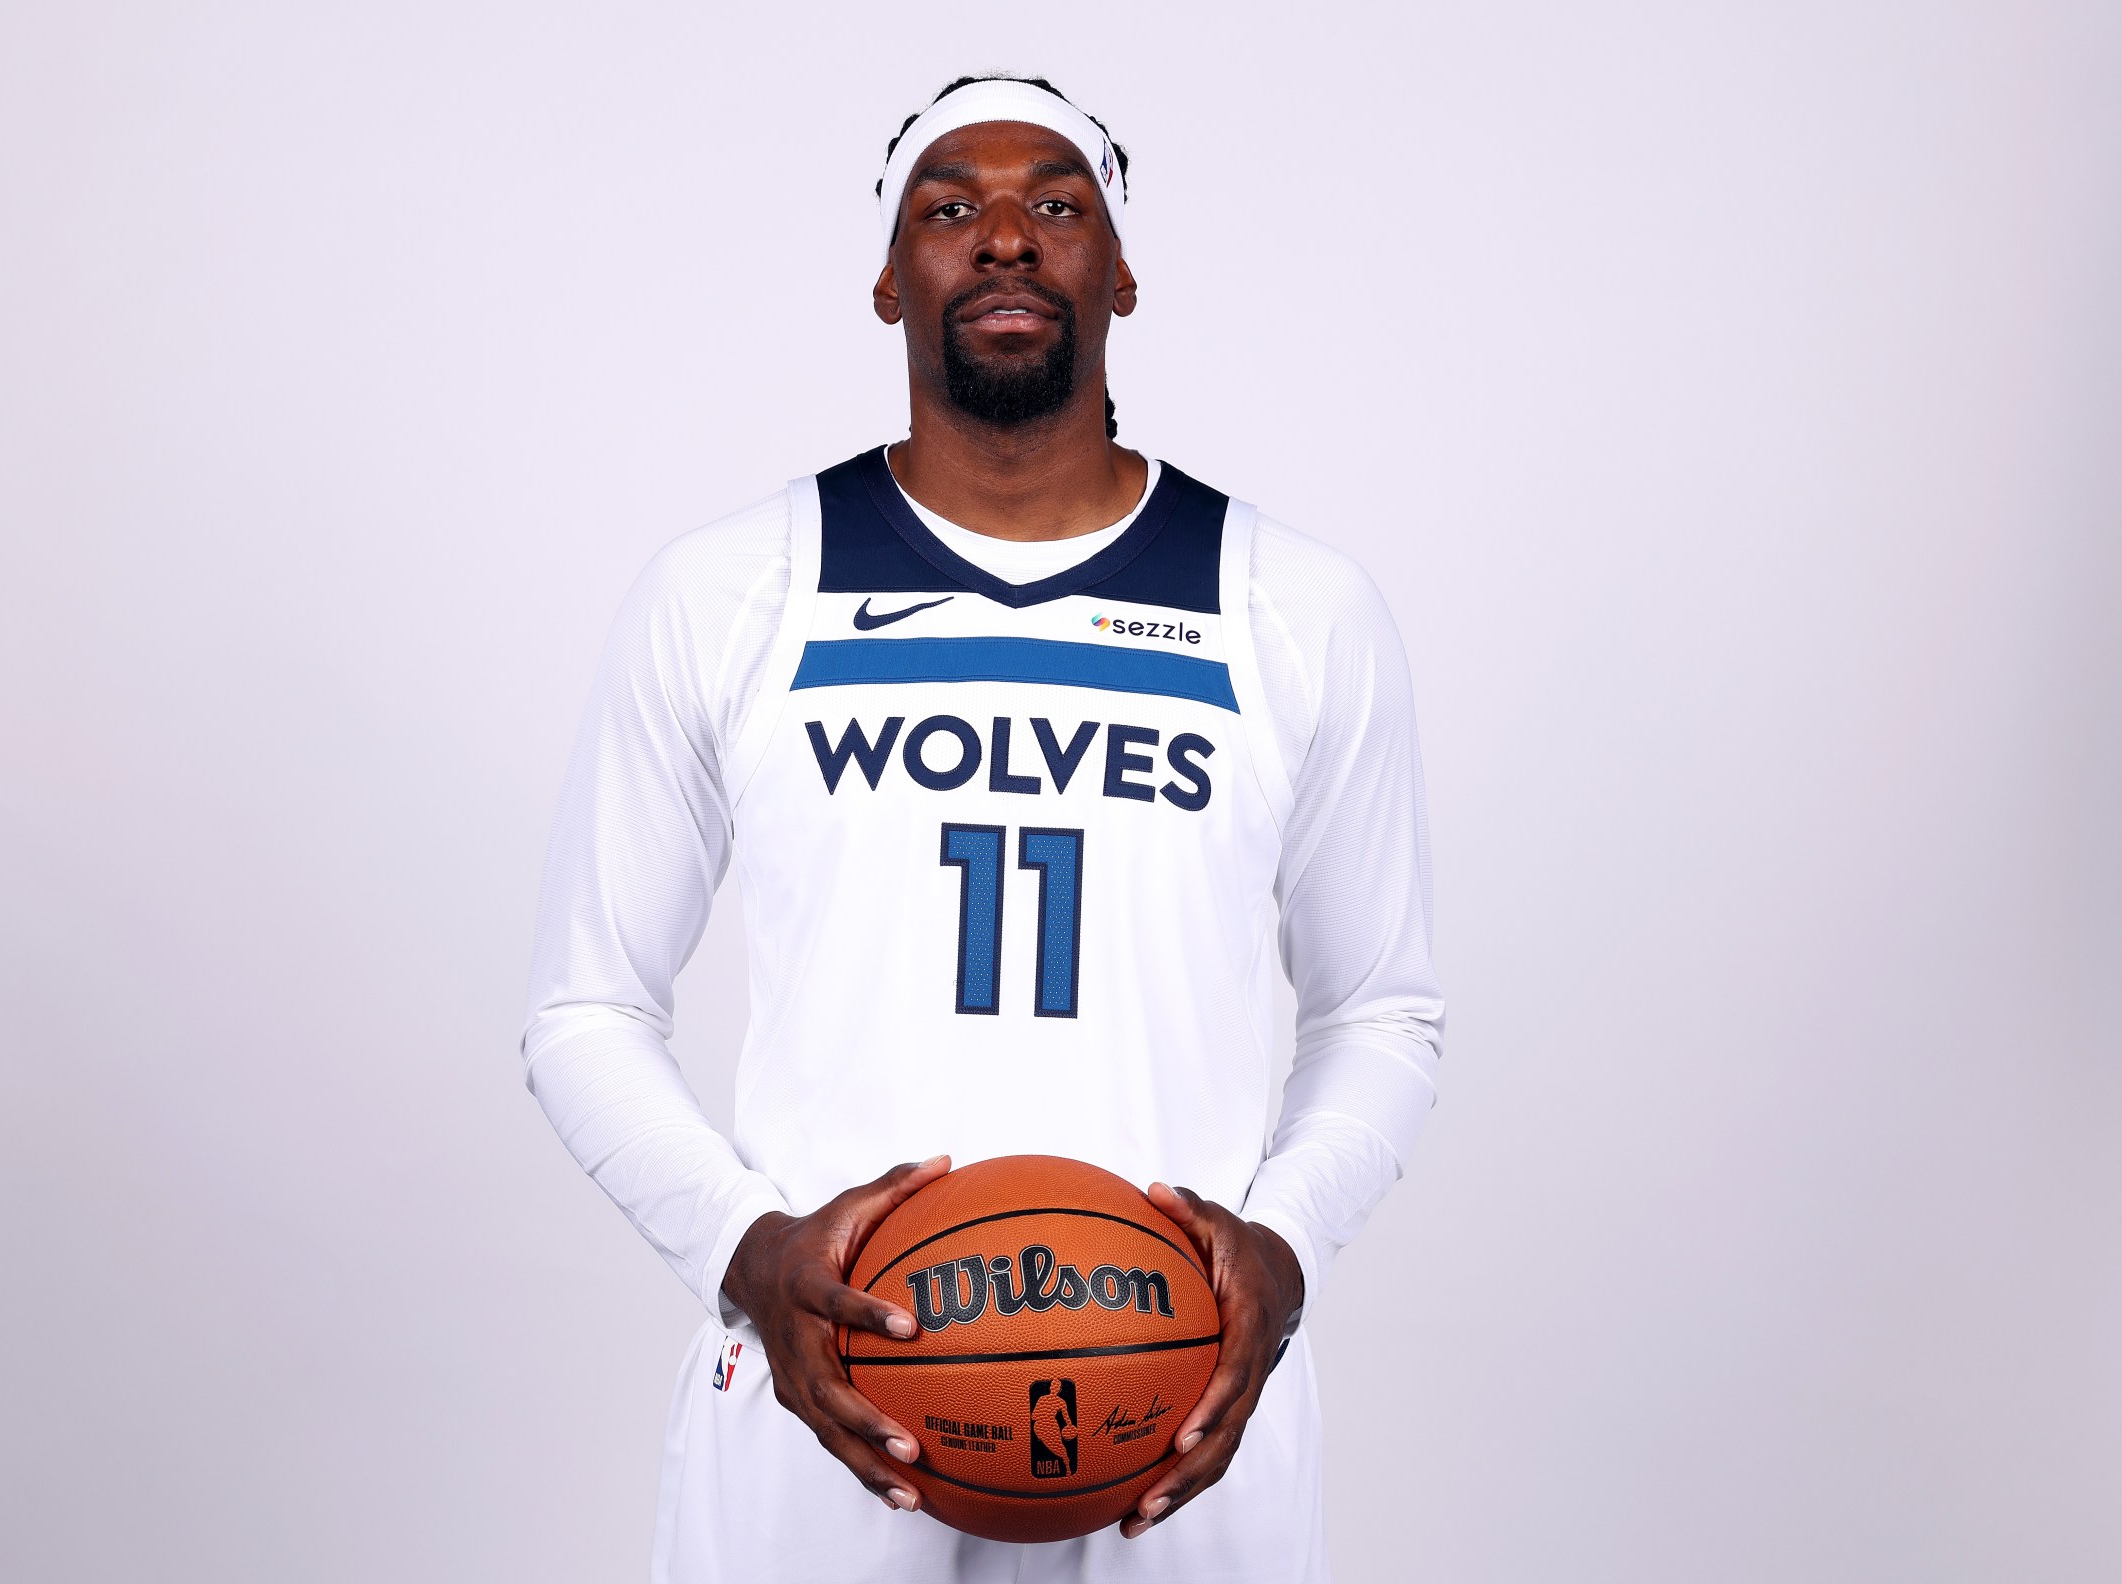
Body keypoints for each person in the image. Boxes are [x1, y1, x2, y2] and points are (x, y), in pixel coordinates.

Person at [522, 73, 1442, 1584]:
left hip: (1184, 1409)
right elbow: (584, 1009)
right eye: (951, 207)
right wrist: (749, 1254)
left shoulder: (1297, 608)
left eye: (1057, 205)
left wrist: (1281, 1252)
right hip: (827, 1409)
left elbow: (1382, 1009)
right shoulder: (735, 590)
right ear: (889, 280)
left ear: (1122, 273)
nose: (1005, 237)